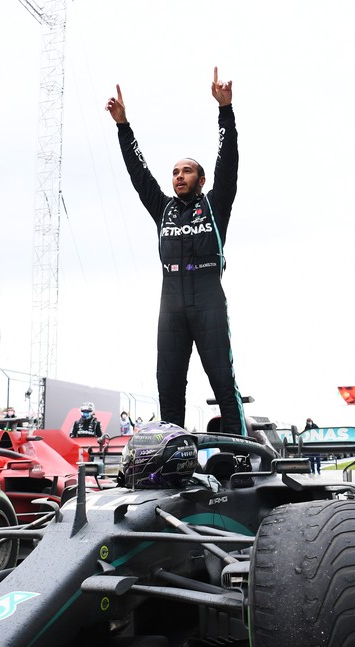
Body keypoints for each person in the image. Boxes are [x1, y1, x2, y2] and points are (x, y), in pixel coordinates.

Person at [106, 67, 247, 436]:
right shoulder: (163, 208)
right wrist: (123, 126)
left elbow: (228, 165)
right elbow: (139, 174)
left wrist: (225, 111)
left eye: (187, 171)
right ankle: (173, 461)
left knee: (223, 385)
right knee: (168, 390)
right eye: (174, 172)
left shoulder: (215, 206)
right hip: (170, 306)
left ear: (201, 180)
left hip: (208, 301)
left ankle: (240, 460)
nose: (179, 176)